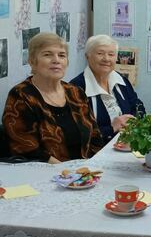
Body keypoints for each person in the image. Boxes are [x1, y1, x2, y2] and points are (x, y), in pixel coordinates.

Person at [2, 32, 103, 163]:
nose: (56, 60)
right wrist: (67, 172)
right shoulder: (21, 95)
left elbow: (95, 137)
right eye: (47, 55)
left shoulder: (76, 92)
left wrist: (96, 166)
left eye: (61, 55)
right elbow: (25, 148)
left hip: (84, 170)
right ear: (32, 61)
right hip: (46, 171)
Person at [71, 34, 146, 143]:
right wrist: (112, 128)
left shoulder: (121, 80)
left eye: (111, 54)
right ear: (87, 56)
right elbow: (78, 133)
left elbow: (138, 106)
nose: (106, 59)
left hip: (126, 143)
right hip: (97, 149)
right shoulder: (75, 88)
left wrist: (133, 121)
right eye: (100, 53)